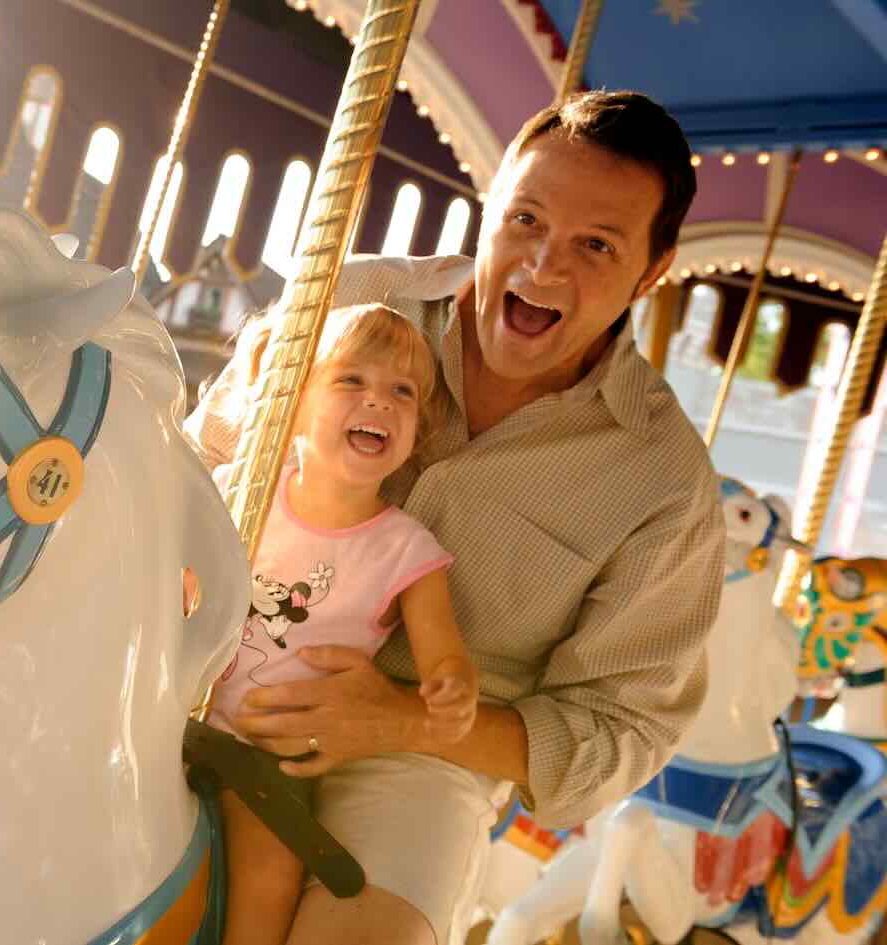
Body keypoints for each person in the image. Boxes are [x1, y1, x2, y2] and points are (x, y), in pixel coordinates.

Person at [187, 90, 724, 945]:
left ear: (652, 272)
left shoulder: (662, 481)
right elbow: (197, 464)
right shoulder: (353, 295)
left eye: (596, 246)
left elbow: (622, 726)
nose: (544, 267)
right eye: (525, 219)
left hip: (423, 757)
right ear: (491, 207)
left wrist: (404, 718)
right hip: (215, 664)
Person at [209, 303, 479, 945]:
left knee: (273, 869)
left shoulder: (406, 550)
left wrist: (452, 685)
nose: (378, 402)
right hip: (167, 715)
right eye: (352, 381)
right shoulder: (238, 491)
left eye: (402, 392)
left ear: (418, 427)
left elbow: (444, 653)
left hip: (264, 753)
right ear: (293, 400)